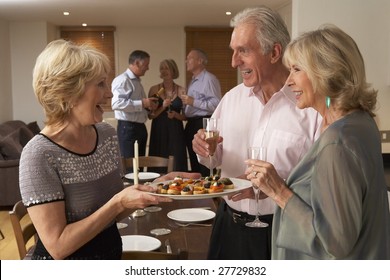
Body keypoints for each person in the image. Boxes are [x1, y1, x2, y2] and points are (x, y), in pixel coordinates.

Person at [246, 25, 390, 260]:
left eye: (296, 69)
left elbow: (336, 242)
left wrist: (279, 192)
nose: (289, 81)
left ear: (325, 72)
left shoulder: (337, 141)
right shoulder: (360, 122)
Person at [19, 40, 171, 260]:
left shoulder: (106, 134)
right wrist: (117, 202)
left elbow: (113, 210)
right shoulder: (39, 154)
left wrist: (159, 186)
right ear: (67, 92)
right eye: (100, 84)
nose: (110, 94)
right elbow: (58, 247)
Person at [192, 6, 321, 259]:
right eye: (233, 51)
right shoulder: (231, 99)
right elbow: (212, 158)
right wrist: (206, 150)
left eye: (244, 51)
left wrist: (272, 187)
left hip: (283, 232)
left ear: (274, 52)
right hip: (228, 225)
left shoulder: (310, 108)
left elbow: (320, 185)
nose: (234, 62)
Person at [181, 48, 221, 176]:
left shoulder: (209, 79)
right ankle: (198, 193)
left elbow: (216, 104)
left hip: (203, 124)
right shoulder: (193, 81)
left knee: (205, 162)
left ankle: (210, 193)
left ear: (200, 61)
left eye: (190, 58)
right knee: (194, 164)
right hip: (191, 124)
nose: (186, 61)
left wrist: (193, 102)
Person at [111, 50, 158, 158]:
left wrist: (148, 106)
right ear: (137, 63)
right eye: (146, 64)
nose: (148, 68)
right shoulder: (123, 80)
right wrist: (142, 103)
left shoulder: (136, 82)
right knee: (130, 167)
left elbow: (137, 105)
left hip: (139, 128)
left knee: (139, 166)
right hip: (128, 129)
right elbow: (117, 104)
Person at [148, 59, 188, 172]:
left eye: (167, 68)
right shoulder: (154, 89)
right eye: (161, 68)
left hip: (176, 132)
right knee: (158, 162)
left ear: (173, 70)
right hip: (159, 131)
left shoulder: (182, 90)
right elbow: (150, 116)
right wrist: (163, 107)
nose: (163, 71)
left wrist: (175, 114)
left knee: (176, 162)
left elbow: (186, 116)